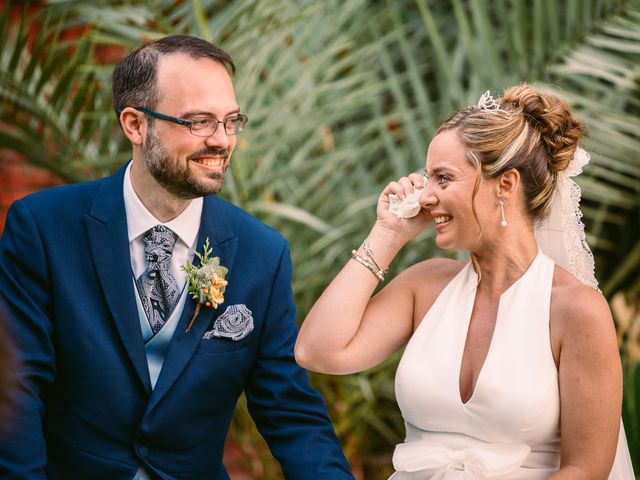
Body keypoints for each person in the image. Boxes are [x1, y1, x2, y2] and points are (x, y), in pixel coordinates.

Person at [0, 34, 353, 479]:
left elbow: (291, 414)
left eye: (230, 121)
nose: (222, 141)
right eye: (199, 122)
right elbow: (15, 393)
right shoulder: (44, 228)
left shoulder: (263, 253)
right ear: (135, 125)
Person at [295, 84, 635, 478]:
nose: (424, 196)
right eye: (427, 179)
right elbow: (316, 351)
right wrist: (387, 235)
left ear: (505, 184)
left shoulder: (575, 310)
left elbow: (587, 469)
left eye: (443, 178)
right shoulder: (423, 287)